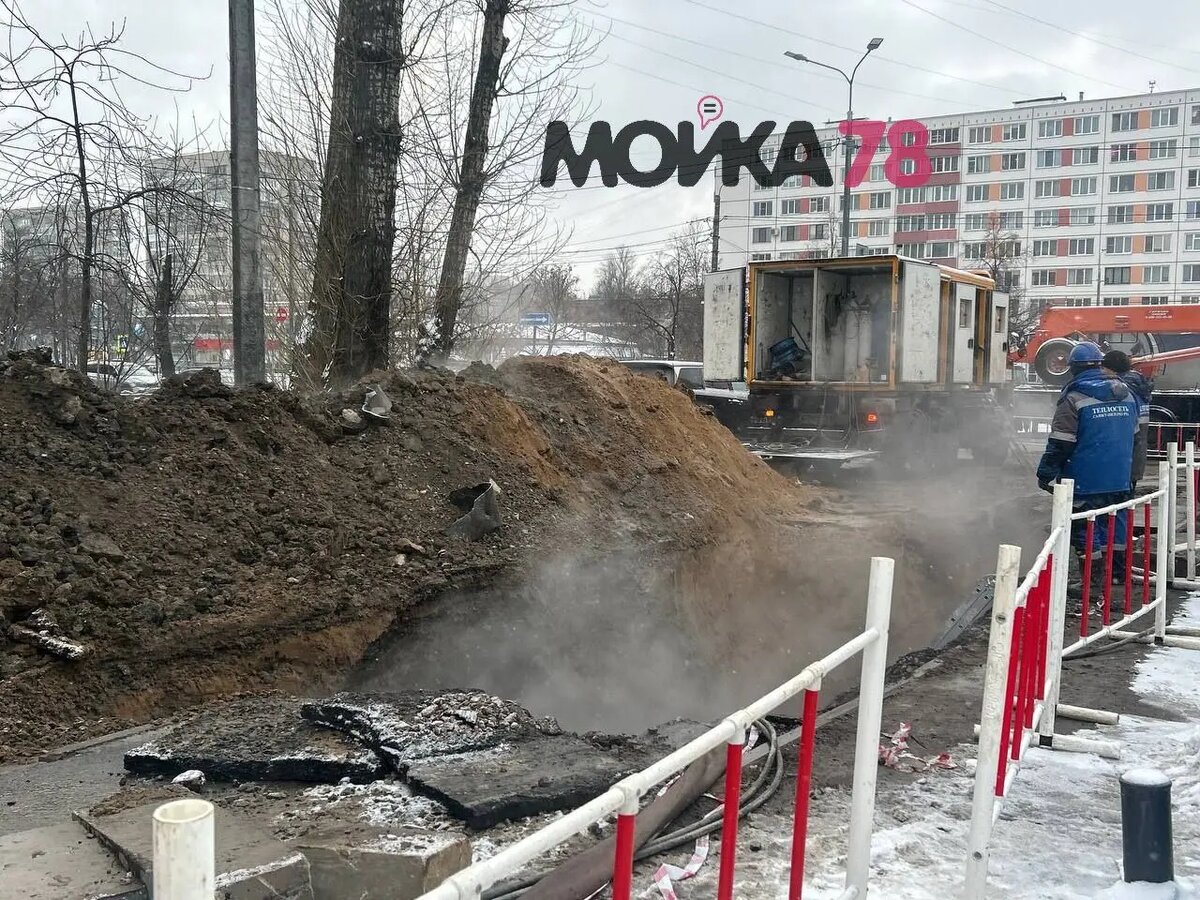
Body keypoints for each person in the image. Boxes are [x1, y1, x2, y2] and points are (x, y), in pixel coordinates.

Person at [1036, 342, 1139, 599]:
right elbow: (1134, 435)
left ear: (1073, 369)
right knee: (1115, 522)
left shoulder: (1073, 397)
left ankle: (1092, 583)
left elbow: (1061, 442)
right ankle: (1117, 574)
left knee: (1085, 527)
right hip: (1119, 476)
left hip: (1085, 477)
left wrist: (1045, 472)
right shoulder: (1127, 394)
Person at [1101, 349, 1153, 495]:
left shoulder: (1123, 390)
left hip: (1122, 459)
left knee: (1115, 508)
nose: (1101, 372)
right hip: (1134, 457)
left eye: (1104, 368)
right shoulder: (1139, 386)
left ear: (1113, 369)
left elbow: (1118, 427)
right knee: (1126, 503)